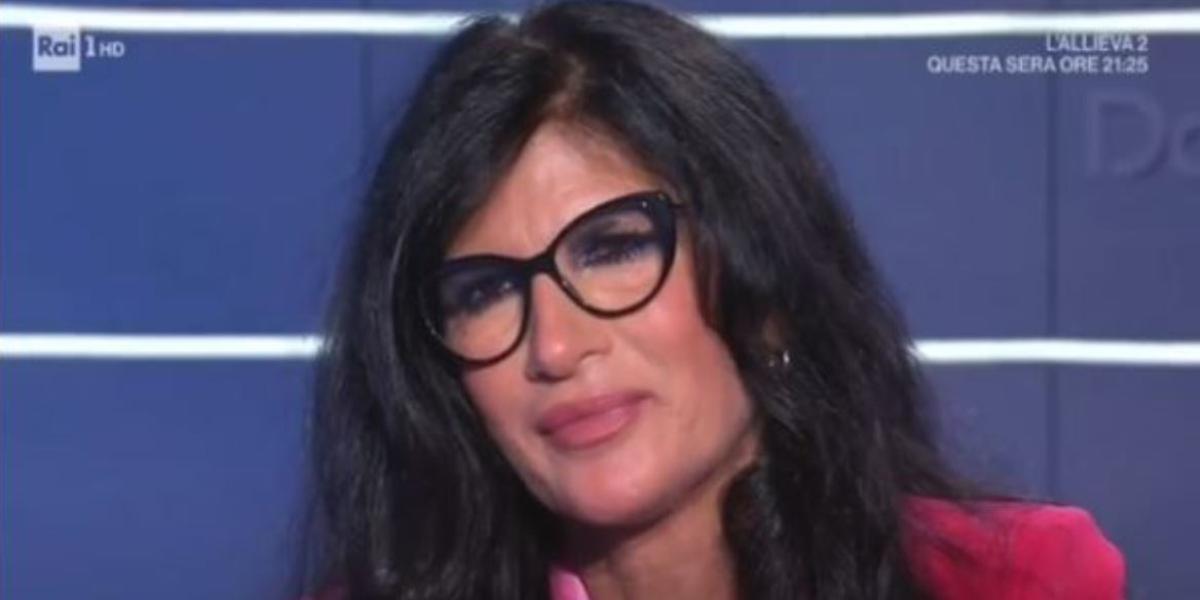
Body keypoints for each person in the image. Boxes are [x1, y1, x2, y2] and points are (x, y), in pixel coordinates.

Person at [303, 2, 1125, 598]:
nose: (553, 346)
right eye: (484, 290)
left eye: (614, 248)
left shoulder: (1011, 582)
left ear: (765, 285)